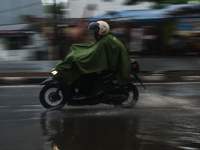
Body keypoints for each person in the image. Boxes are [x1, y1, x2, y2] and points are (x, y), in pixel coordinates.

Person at [56, 21, 131, 99]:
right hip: (107, 64)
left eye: (95, 31)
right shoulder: (105, 39)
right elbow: (90, 48)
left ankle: (83, 92)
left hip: (105, 67)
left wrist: (78, 60)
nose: (94, 33)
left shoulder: (104, 42)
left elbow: (92, 55)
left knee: (84, 74)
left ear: (101, 31)